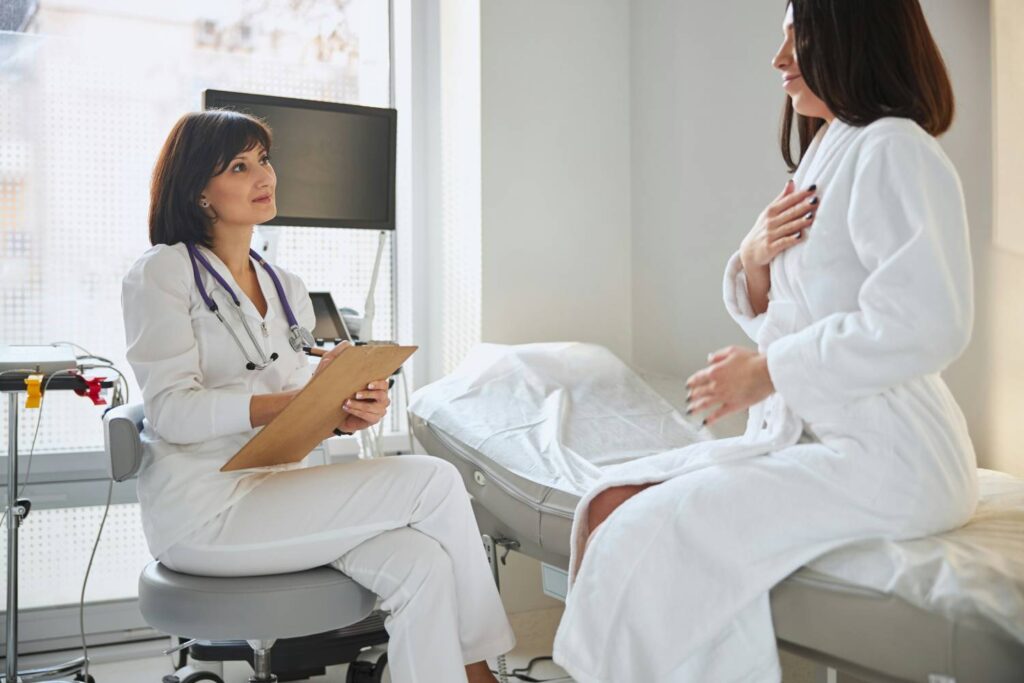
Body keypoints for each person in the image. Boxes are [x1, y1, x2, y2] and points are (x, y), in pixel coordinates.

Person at [552, 1, 976, 680]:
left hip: (893, 459)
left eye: (797, 41)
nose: (778, 61)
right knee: (606, 502)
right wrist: (753, 260)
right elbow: (807, 306)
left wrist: (770, 372)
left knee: (641, 531)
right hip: (824, 439)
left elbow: (927, 323)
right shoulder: (828, 149)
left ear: (850, 42)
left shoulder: (895, 148)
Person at [121, 110, 514, 683]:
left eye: (264, 160)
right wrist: (288, 406)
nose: (264, 176)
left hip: (277, 489)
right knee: (434, 479)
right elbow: (172, 413)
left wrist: (346, 413)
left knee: (423, 563)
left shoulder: (287, 287)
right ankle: (480, 668)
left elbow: (298, 407)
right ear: (199, 191)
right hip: (206, 510)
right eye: (239, 165)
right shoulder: (163, 273)